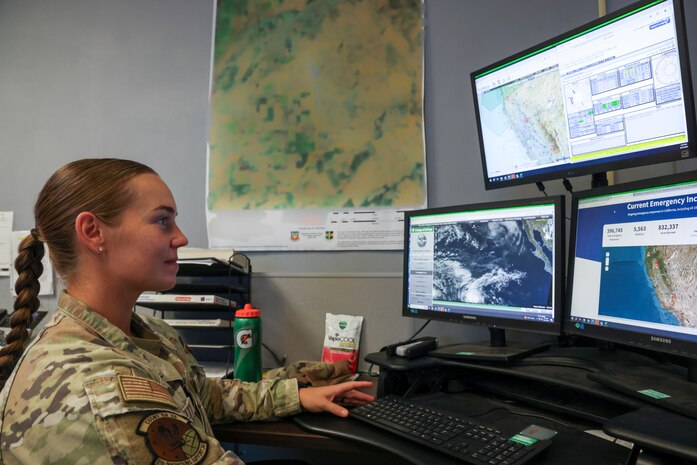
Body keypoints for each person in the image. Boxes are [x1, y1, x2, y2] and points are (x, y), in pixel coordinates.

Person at [0, 158, 374, 465]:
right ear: (94, 232)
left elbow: (204, 395)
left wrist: (297, 395)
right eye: (163, 220)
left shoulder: (147, 331)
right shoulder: (101, 388)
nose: (181, 237)